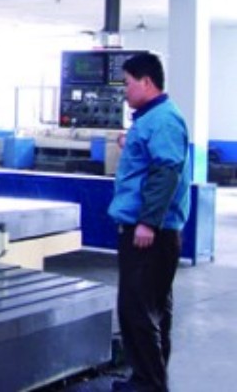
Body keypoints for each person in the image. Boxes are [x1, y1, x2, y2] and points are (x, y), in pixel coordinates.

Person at [108, 52, 191, 392]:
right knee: (152, 309)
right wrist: (130, 142)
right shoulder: (153, 118)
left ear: (146, 82)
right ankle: (150, 378)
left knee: (137, 309)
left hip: (149, 233)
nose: (124, 91)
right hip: (154, 231)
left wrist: (147, 223)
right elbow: (153, 159)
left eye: (127, 83)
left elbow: (165, 172)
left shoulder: (163, 120)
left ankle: (148, 384)